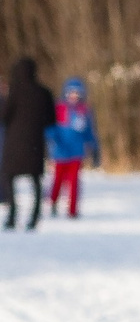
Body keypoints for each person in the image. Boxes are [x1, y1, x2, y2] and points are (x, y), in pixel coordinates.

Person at [2, 57, 52, 231]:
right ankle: (34, 217)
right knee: (36, 180)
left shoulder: (14, 92)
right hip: (35, 144)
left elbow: (4, 116)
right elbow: (51, 119)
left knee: (10, 178)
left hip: (14, 144)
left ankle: (12, 216)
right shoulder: (44, 92)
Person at [44, 77, 100, 217]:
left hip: (76, 152)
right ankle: (53, 202)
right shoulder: (58, 108)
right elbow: (50, 128)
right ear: (66, 93)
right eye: (71, 93)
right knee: (58, 180)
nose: (74, 96)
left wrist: (95, 148)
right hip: (60, 152)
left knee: (74, 182)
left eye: (77, 93)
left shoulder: (84, 111)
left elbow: (89, 132)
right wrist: (52, 140)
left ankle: (73, 210)